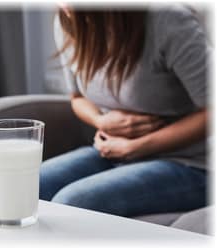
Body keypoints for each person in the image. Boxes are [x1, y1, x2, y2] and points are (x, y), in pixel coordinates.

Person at [39, 4, 210, 218]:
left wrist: (135, 147)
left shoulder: (167, 19)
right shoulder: (69, 21)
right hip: (112, 152)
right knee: (28, 187)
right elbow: (77, 98)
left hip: (191, 164)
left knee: (71, 203)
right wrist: (101, 121)